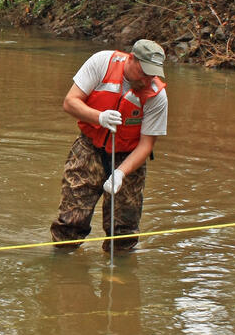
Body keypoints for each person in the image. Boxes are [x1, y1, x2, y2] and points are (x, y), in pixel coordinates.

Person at [51, 39, 168, 252]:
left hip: (128, 157)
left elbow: (146, 145)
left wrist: (120, 174)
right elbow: (70, 102)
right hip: (89, 150)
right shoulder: (102, 63)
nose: (148, 79)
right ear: (131, 59)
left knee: (124, 231)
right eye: (144, 73)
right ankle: (62, 272)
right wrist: (99, 117)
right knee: (70, 221)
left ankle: (121, 276)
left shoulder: (157, 96)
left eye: (153, 74)